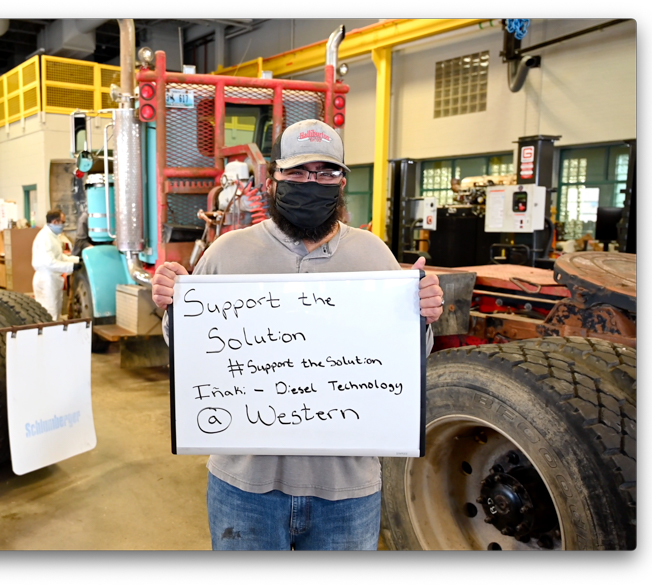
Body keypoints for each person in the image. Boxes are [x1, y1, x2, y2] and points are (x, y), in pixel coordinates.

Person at [150, 119, 444, 551]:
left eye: (326, 173)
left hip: (347, 491)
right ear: (274, 177)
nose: (313, 182)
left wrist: (424, 316)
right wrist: (173, 306)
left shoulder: (374, 255)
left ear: (342, 181)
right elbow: (189, 346)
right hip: (245, 488)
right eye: (299, 172)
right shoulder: (227, 253)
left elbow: (407, 357)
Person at [31, 209, 79, 320]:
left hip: (53, 279)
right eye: (62, 222)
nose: (63, 225)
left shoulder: (53, 236)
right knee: (50, 314)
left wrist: (77, 260)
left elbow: (60, 257)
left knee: (56, 313)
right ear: (55, 222)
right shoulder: (44, 237)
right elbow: (50, 263)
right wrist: (71, 267)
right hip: (46, 279)